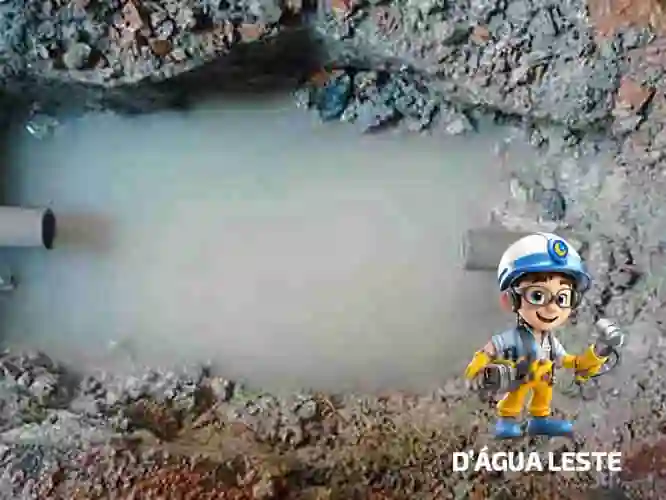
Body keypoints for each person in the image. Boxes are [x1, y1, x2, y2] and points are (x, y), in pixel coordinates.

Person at [464, 232, 621, 439]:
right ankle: (507, 421)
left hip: (543, 377)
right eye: (537, 295)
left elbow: (571, 362)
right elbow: (488, 352)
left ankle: (540, 421)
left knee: (542, 395)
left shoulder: (550, 342)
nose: (552, 308)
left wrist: (599, 352)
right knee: (516, 396)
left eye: (562, 299)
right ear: (511, 300)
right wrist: (476, 372)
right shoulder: (514, 338)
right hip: (520, 376)